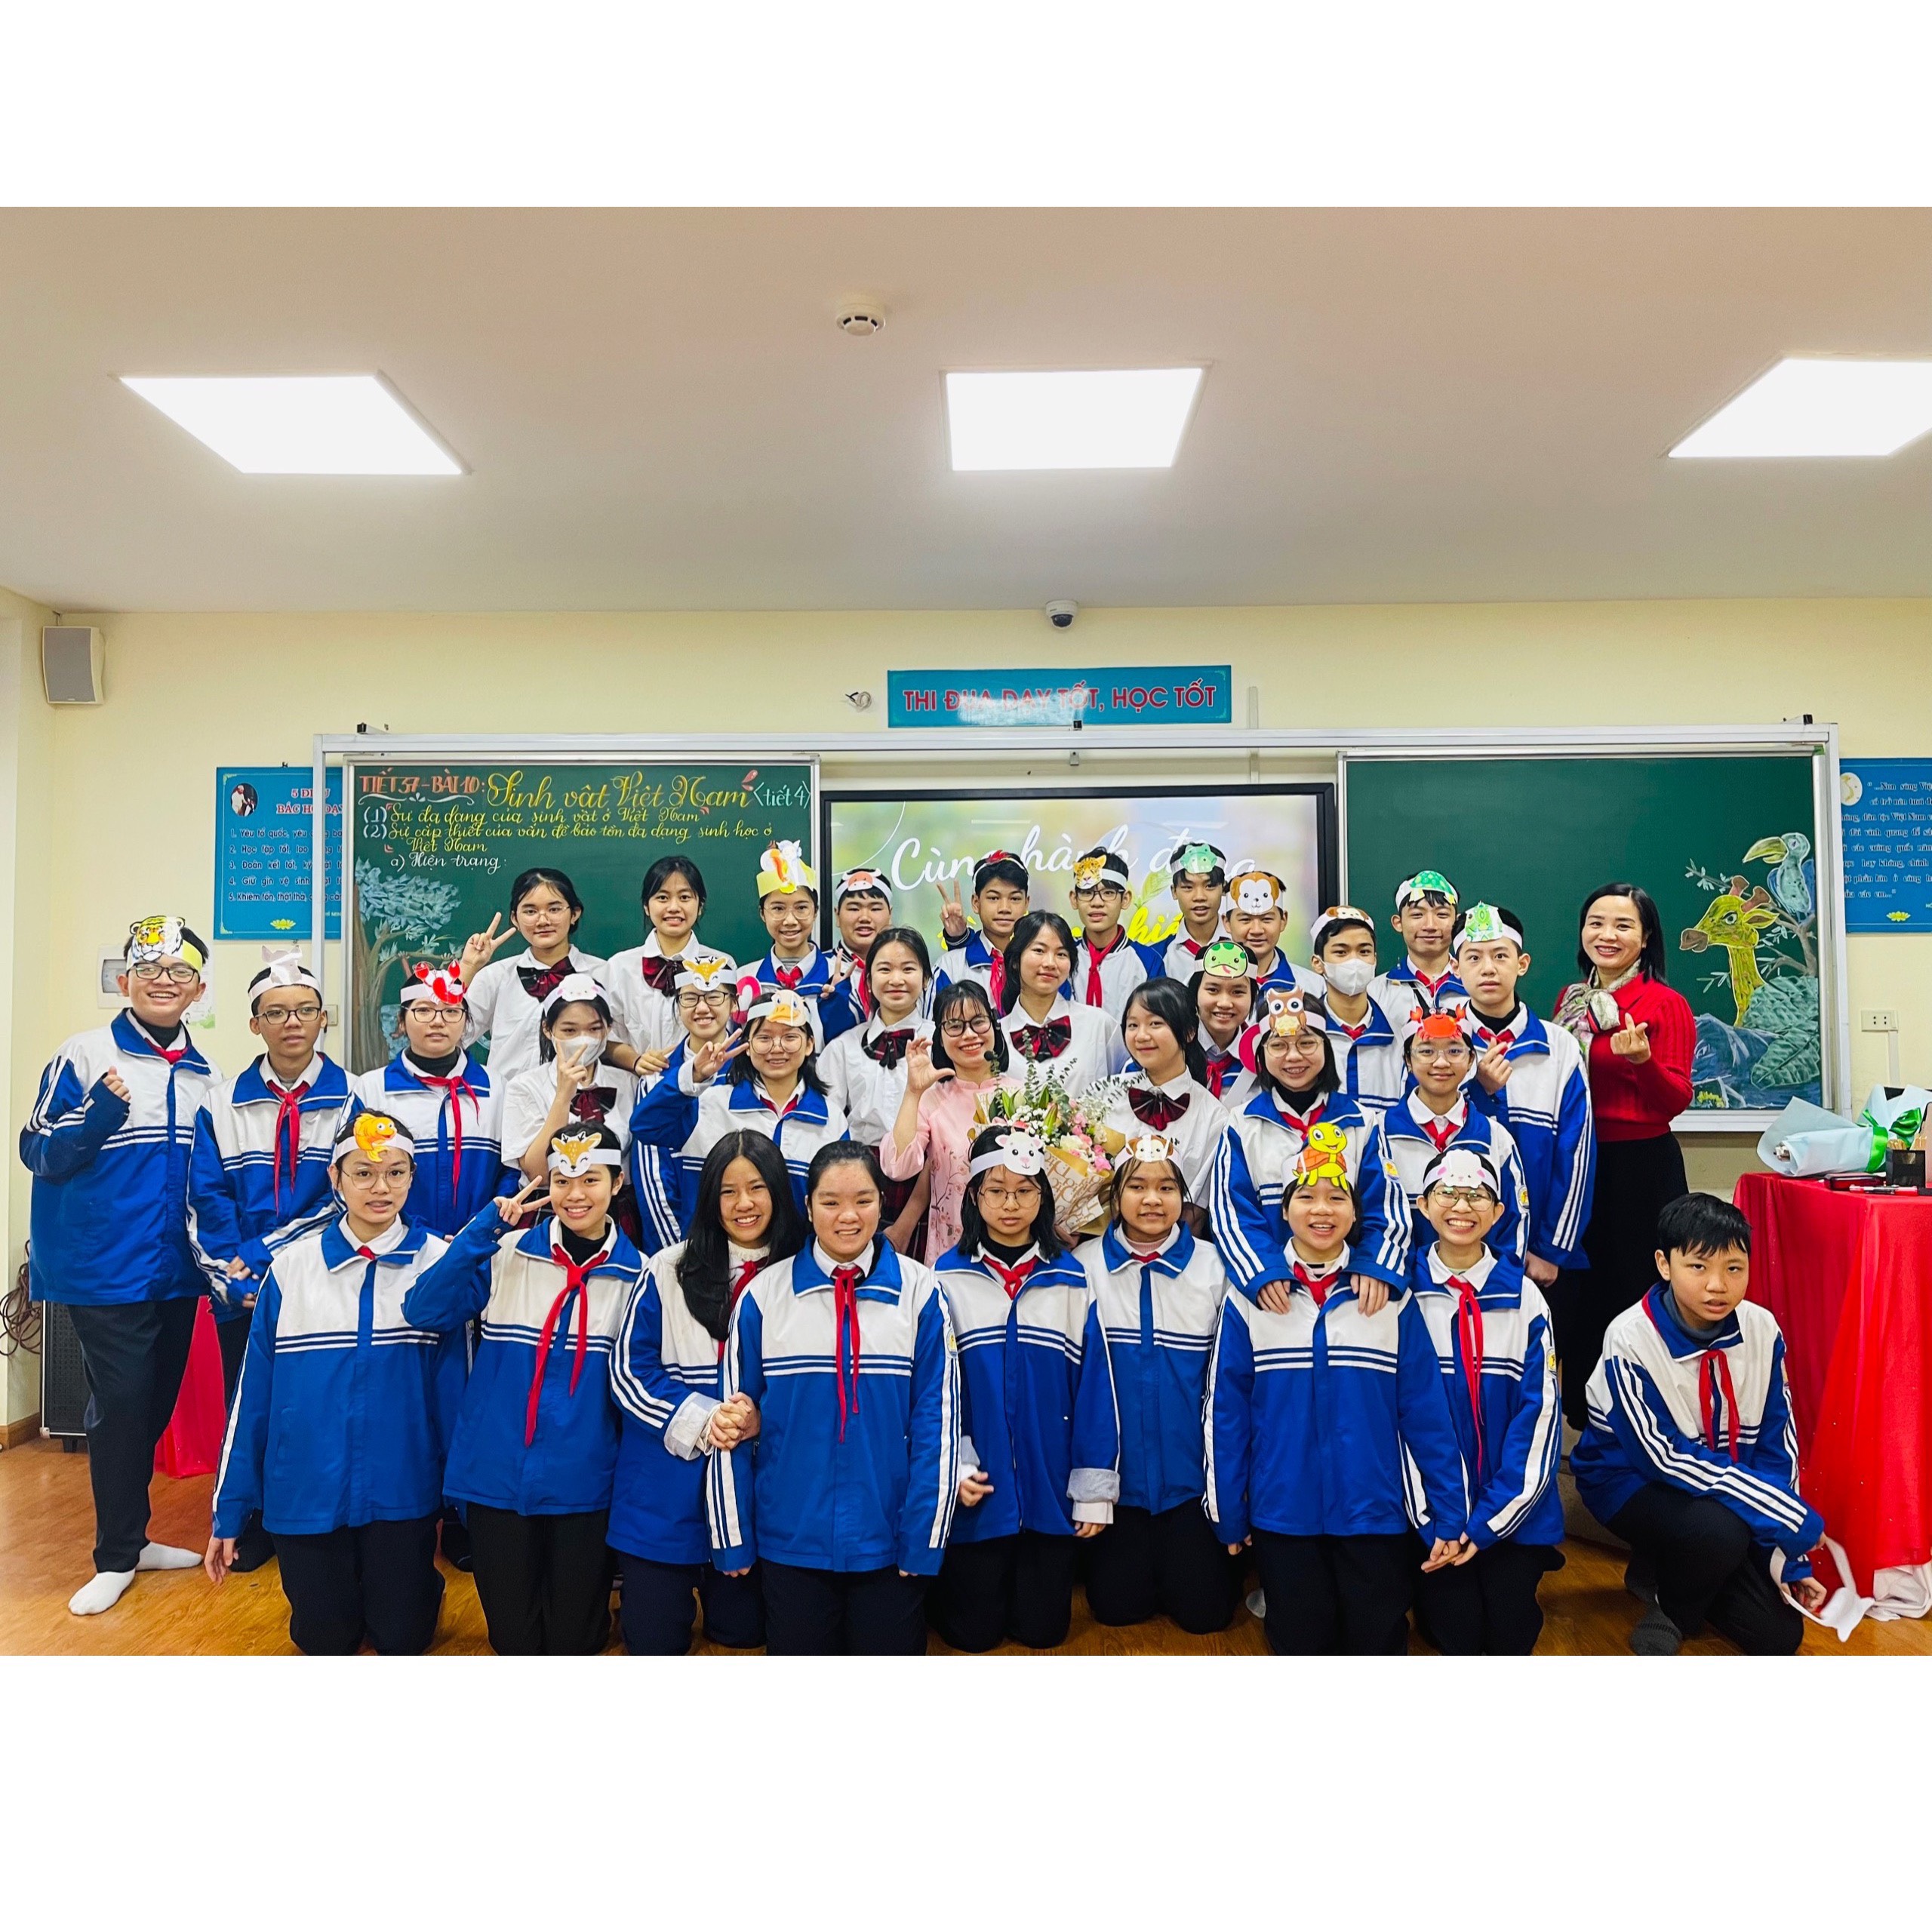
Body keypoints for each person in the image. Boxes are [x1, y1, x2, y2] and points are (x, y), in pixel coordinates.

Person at [204, 1113, 463, 1654]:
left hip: (402, 1491)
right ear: (336, 1179)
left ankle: (414, 1593)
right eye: (363, 1173)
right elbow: (253, 1400)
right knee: (324, 1641)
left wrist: (462, 1498)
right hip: (306, 1493)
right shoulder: (290, 1270)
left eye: (395, 1172)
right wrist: (230, 1510)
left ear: (412, 1177)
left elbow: (457, 1394)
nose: (380, 1188)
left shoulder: (441, 1266)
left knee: (404, 1640)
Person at [22, 915, 222, 1616]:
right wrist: (100, 1113)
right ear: (126, 980)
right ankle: (114, 1556)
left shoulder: (205, 1073)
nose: (165, 981)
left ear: (198, 989)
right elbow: (40, 1151)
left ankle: (133, 1540)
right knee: (124, 1404)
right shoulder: (84, 1054)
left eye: (180, 972)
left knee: (152, 1406)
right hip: (102, 1269)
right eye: (150, 970)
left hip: (175, 1270)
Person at [1204, 1146, 1469, 1655]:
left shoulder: (1391, 1299)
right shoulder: (1250, 1299)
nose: (1322, 1210)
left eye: (1336, 1198)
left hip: (1374, 1509)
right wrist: (1228, 1509)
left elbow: (1426, 1412)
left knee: (1377, 1644)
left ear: (1355, 1213)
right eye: (1306, 1197)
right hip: (1283, 1511)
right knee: (1300, 1644)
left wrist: (1449, 1511)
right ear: (1284, 1211)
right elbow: (1227, 1413)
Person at [709, 1143, 961, 1655]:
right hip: (789, 1540)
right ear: (807, 1207)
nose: (848, 1216)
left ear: (882, 1204)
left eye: (863, 1200)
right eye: (830, 1202)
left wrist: (924, 1535)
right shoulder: (763, 1296)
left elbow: (938, 1422)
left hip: (890, 1540)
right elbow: (730, 1424)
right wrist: (733, 1535)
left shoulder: (921, 1292)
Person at [404, 1124, 644, 1654]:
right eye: (562, 1181)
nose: (575, 1194)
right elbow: (424, 1310)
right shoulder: (506, 1252)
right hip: (497, 1477)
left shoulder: (640, 1276)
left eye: (591, 1180)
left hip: (585, 1484)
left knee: (576, 1642)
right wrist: (482, 1230)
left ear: (617, 1183)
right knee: (514, 1642)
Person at [1571, 1192, 1826, 1655]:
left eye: (1734, 1268)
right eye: (1698, 1267)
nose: (1717, 1285)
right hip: (1632, 1483)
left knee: (1777, 1637)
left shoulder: (1762, 1329)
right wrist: (1782, 1516)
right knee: (1719, 1532)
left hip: (1726, 1489)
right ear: (1664, 1265)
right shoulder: (1629, 1338)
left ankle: (1669, 1566)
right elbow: (1662, 1458)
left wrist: (1789, 1555)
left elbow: (1778, 1445)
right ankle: (1671, 1610)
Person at [607, 1133, 805, 1654]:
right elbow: (628, 1371)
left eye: (757, 1188)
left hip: (757, 1496)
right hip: (663, 1492)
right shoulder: (666, 1268)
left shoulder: (803, 1273)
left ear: (780, 1191)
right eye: (727, 1191)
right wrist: (703, 1418)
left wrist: (763, 1418)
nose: (743, 1204)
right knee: (653, 1644)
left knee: (743, 1636)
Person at [189, 949, 353, 1572]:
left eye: (305, 1011)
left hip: (320, 1279)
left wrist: (264, 1257)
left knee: (314, 1400)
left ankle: (313, 1515)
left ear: (323, 1019)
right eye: (277, 1013)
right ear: (255, 1023)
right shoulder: (220, 1103)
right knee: (248, 1400)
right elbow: (205, 1199)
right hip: (242, 1289)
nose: (292, 1023)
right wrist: (232, 1280)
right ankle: (250, 1517)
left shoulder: (353, 1098)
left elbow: (344, 1198)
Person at [929, 1124, 1117, 1652]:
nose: (1010, 1204)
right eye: (996, 1190)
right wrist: (957, 1464)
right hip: (978, 1489)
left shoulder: (1071, 1279)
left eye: (1024, 1190)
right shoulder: (945, 1279)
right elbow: (936, 1390)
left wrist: (1093, 1490)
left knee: (1044, 1634)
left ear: (1043, 1196)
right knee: (973, 1637)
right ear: (974, 1195)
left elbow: (1095, 1389)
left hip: (1048, 1486)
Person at [1076, 1132, 1238, 1634]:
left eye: (1166, 1187)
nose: (1152, 1199)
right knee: (1115, 1610)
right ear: (1115, 1196)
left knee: (1206, 1617)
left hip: (1192, 1487)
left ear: (1183, 1197)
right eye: (1137, 1186)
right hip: (1118, 1488)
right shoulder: (1081, 1268)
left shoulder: (1216, 1269)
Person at [1406, 1146, 1564, 1654]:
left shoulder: (1525, 1298)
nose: (1461, 1206)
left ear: (1498, 1212)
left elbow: (1539, 1418)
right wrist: (1438, 1520)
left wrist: (1488, 1523)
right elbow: (1397, 1422)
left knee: (1510, 1635)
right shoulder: (1401, 1293)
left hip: (1510, 1511)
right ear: (1423, 1205)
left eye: (1477, 1196)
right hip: (1433, 1511)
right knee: (1457, 1635)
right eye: (1447, 1193)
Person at [1548, 881, 1695, 1424]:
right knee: (1578, 1294)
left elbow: (1675, 1100)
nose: (1607, 935)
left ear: (1647, 936)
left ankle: (1640, 1421)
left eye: (1623, 925)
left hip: (1640, 1167)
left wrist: (1642, 1063)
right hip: (1578, 1163)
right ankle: (1584, 1420)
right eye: (1596, 923)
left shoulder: (1665, 1003)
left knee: (1635, 1290)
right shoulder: (1570, 1001)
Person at [1208, 990, 1408, 1313]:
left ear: (1326, 1047)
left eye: (1306, 1043)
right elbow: (1231, 1212)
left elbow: (1385, 1206)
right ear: (1261, 1053)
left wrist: (1373, 1264)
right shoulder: (1242, 1124)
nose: (1293, 1057)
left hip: (1351, 1294)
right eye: (1278, 1045)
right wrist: (1264, 1270)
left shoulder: (1362, 1121)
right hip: (1273, 1298)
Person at [1454, 903, 1595, 1296]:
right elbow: (1425, 1136)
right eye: (1474, 957)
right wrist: (1477, 1089)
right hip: (1454, 1245)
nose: (1488, 968)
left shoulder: (1559, 1046)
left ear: (1523, 964)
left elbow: (1577, 1152)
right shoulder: (1437, 1044)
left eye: (1501, 956)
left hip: (1538, 1254)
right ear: (1455, 968)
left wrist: (1552, 1248)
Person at [630, 988, 848, 1230]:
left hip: (794, 1253)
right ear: (748, 1046)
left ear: (809, 1045)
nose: (777, 1048)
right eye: (764, 1038)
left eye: (789, 1037)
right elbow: (645, 1125)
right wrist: (693, 1075)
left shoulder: (831, 1120)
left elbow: (837, 1199)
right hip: (712, 1251)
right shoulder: (711, 1103)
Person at [349, 961, 506, 1238]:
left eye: (451, 1011)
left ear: (466, 1021)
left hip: (482, 1248)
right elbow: (351, 1174)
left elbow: (512, 1173)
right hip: (397, 1248)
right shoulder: (372, 1090)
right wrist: (414, 1236)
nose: (437, 1021)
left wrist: (479, 1233)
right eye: (423, 1010)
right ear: (401, 1020)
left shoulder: (496, 1088)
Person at [879, 980, 1021, 1260]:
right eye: (955, 1026)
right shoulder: (931, 1100)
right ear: (940, 1037)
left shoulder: (1025, 1096)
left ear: (994, 1026)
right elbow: (898, 1167)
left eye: (978, 1022)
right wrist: (913, 1092)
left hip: (1018, 1247)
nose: (969, 1034)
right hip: (952, 1252)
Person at [818, 926, 935, 1253]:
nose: (896, 979)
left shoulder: (942, 1042)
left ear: (926, 979)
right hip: (858, 1176)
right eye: (885, 969)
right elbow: (826, 1126)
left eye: (908, 969)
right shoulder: (844, 1047)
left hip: (929, 1180)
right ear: (868, 981)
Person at [1379, 1013, 1531, 1264]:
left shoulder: (1495, 1138)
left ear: (1471, 1060)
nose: (1441, 1062)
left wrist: (1496, 1280)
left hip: (1478, 1284)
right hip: (1398, 1283)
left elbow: (1514, 1223)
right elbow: (1369, 1219)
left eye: (1454, 1051)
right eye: (1426, 1051)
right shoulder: (1379, 1132)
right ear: (1408, 1060)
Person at [629, 952, 738, 1254]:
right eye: (690, 998)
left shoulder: (756, 1071)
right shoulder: (657, 1079)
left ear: (734, 1003)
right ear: (678, 1006)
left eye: (714, 996)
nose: (702, 1008)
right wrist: (679, 1256)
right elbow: (654, 1183)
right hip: (685, 1244)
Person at [457, 867, 607, 1083]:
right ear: (515, 919)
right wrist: (468, 968)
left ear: (574, 914)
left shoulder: (603, 974)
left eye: (554, 909)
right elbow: (453, 1036)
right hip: (507, 1098)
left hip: (582, 1096)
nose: (543, 920)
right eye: (530, 911)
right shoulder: (496, 977)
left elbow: (617, 1042)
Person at [500, 974, 641, 1180]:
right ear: (548, 1029)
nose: (583, 1039)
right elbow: (537, 1174)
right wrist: (563, 1098)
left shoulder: (630, 1084)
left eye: (594, 1029)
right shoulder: (524, 1087)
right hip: (551, 1197)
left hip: (618, 1196)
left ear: (609, 1028)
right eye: (570, 1030)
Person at [1102, 977, 1228, 1198]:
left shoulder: (1214, 1118)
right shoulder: (1103, 1095)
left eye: (1155, 1024)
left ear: (1189, 1032)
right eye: (1133, 1025)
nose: (1141, 1036)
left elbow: (1202, 1203)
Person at [998, 910, 1126, 1094]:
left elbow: (1124, 1085)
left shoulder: (1099, 1025)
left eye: (1061, 954)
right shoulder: (995, 1036)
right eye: (1039, 951)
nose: (1050, 963)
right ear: (1015, 961)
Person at [603, 856, 718, 1056]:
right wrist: (637, 1061)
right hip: (635, 1075)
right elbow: (607, 1037)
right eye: (663, 898)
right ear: (646, 907)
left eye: (685, 897)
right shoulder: (619, 967)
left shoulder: (720, 965)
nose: (674, 907)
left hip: (704, 1075)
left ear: (700, 906)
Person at [737, 840, 851, 1039]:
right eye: (778, 909)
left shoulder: (841, 977)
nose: (790, 921)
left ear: (815, 912)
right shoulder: (745, 980)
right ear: (763, 914)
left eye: (801, 908)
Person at [1306, 905, 1404, 1115]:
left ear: (1375, 959)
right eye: (1341, 952)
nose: (1355, 961)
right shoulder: (1305, 1035)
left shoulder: (1400, 1038)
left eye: (1364, 951)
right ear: (1318, 963)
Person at [1369, 869, 1467, 1028]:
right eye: (1417, 915)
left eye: (1442, 915)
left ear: (1457, 923)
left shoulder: (1477, 985)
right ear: (1398, 923)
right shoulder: (1376, 992)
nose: (1430, 926)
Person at [935, 849, 1031, 1004]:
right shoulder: (951, 966)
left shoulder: (1040, 962)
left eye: (1014, 899)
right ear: (976, 903)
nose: (1005, 908)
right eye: (993, 898)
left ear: (1026, 903)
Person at [1066, 846, 1149, 1020]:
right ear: (1074, 899)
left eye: (1108, 893)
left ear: (1125, 899)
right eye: (1087, 892)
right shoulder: (1063, 957)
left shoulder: (1147, 961)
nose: (1097, 902)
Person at [1223, 861, 1321, 1000]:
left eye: (1266, 919)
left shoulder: (1314, 987)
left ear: (1283, 920)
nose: (1257, 930)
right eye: (1245, 919)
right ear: (1227, 923)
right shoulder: (1210, 985)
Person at [821, 866, 897, 1035]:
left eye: (875, 908)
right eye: (854, 909)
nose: (864, 918)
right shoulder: (817, 968)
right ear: (837, 915)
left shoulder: (906, 971)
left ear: (890, 914)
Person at [1189, 939, 1258, 1104]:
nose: (1225, 1003)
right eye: (1213, 990)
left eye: (1237, 992)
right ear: (1195, 992)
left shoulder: (1263, 1054)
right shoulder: (1172, 1048)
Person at [1157, 838, 1229, 980]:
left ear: (1223, 888)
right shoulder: (1158, 957)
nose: (1199, 897)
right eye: (1188, 887)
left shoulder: (1243, 947)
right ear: (1174, 891)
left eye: (1209, 886)